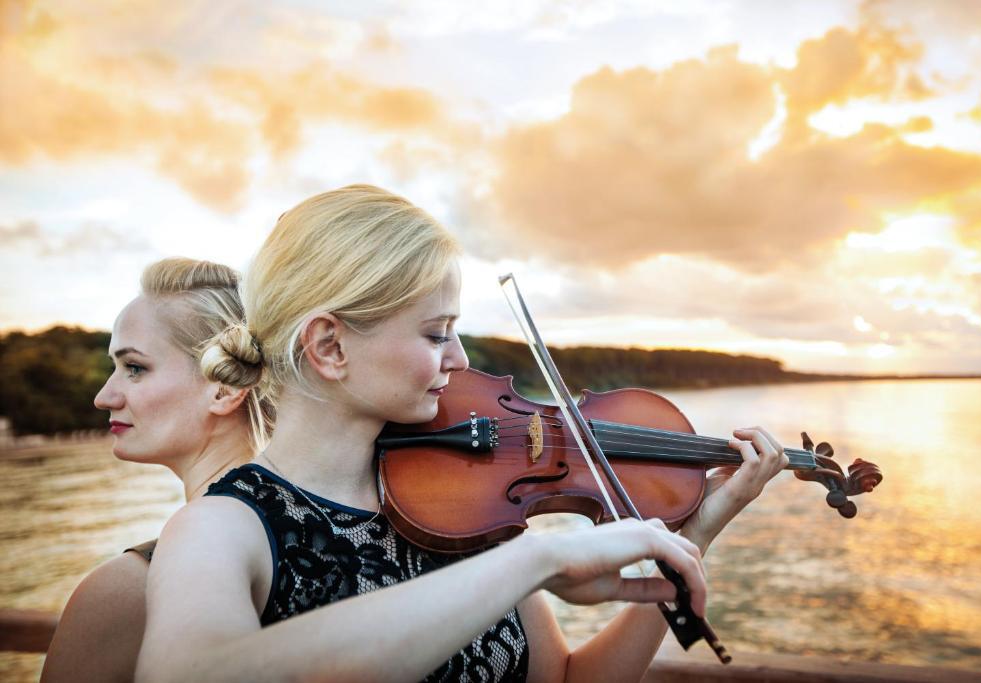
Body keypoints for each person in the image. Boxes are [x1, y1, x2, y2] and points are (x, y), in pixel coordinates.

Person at [135, 185, 788, 683]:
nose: (459, 359)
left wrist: (691, 536)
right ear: (330, 345)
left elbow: (567, 679)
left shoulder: (462, 506)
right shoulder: (221, 528)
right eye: (435, 333)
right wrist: (538, 559)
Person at [41, 258, 273, 683]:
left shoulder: (122, 593)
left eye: (134, 368)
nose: (103, 396)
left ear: (225, 388)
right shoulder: (346, 529)